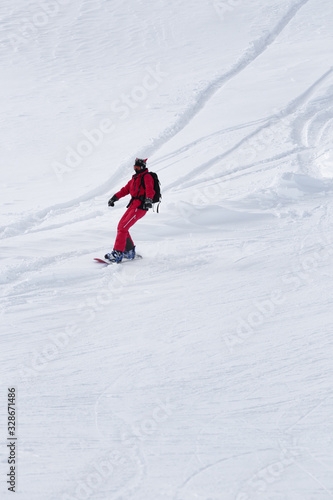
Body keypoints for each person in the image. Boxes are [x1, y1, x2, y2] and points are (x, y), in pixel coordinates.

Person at [105, 158, 155, 263]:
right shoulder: (134, 179)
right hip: (133, 206)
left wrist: (148, 200)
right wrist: (114, 198)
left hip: (140, 207)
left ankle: (117, 253)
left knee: (123, 228)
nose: (136, 169)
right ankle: (129, 251)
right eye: (134, 167)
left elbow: (150, 189)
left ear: (143, 167)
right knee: (121, 227)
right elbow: (125, 190)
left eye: (138, 167)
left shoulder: (147, 176)